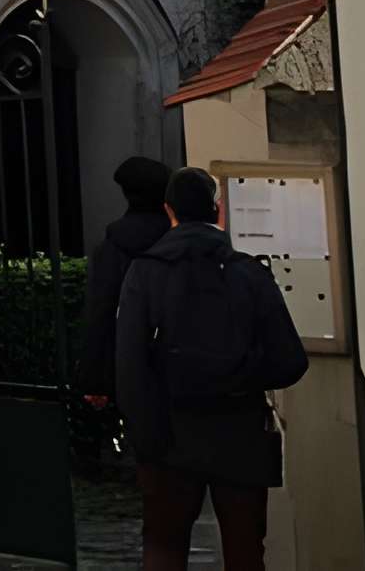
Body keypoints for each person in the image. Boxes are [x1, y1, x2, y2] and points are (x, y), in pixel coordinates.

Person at [115, 165, 310, 571]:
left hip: (167, 433)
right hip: (240, 432)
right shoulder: (249, 273)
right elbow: (290, 360)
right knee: (244, 551)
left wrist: (144, 436)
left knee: (164, 548)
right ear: (218, 211)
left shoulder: (145, 272)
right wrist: (240, 375)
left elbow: (129, 365)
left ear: (170, 212)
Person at [79, 155, 175, 405]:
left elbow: (101, 311)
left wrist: (96, 380)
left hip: (133, 364)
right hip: (187, 367)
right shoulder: (181, 241)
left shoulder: (115, 247)